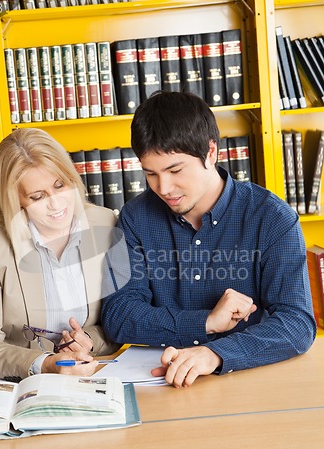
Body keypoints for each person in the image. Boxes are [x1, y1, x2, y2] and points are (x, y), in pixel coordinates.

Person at [101, 91, 316, 388]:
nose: (164, 188)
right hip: (159, 385)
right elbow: (120, 316)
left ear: (211, 152)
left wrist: (215, 353)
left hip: (249, 384)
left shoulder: (272, 218)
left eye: (175, 170)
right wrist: (205, 323)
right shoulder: (136, 218)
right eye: (150, 173)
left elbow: (297, 324)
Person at [0, 128, 127, 380]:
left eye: (60, 185)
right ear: (15, 200)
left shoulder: (105, 222)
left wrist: (88, 340)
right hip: (7, 382)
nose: (56, 204)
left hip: (86, 376)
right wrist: (45, 364)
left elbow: (123, 315)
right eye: (37, 196)